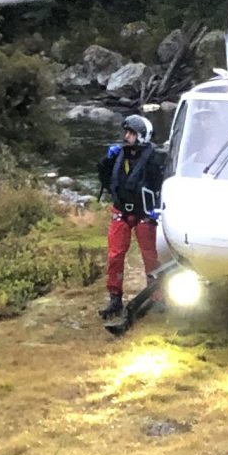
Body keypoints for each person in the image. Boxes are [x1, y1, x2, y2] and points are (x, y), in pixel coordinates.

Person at [100, 112, 166, 327]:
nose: (126, 136)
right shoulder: (118, 155)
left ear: (141, 136)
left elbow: (159, 184)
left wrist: (156, 209)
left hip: (144, 213)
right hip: (121, 210)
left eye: (131, 133)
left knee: (150, 257)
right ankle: (115, 298)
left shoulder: (154, 158)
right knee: (115, 255)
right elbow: (106, 178)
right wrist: (107, 160)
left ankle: (157, 297)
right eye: (126, 132)